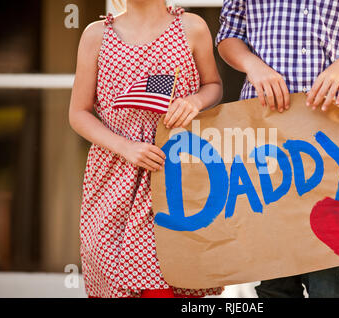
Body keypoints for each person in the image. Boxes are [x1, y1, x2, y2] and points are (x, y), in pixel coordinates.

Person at [216, 0, 339, 298]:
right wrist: (254, 66)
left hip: (333, 138)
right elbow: (229, 37)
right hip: (265, 134)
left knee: (328, 269)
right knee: (274, 272)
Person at [69, 0, 223, 298]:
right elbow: (78, 112)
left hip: (175, 171)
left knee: (169, 277)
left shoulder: (192, 27)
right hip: (114, 175)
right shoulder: (96, 34)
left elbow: (213, 84)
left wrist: (195, 102)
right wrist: (125, 147)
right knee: (111, 270)